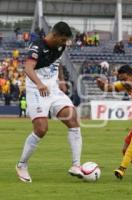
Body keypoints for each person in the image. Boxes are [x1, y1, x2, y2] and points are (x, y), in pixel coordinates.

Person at [16, 22, 83, 183]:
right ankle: (22, 165)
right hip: (36, 90)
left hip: (53, 89)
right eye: (63, 39)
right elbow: (28, 68)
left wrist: (60, 79)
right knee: (41, 129)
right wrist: (39, 84)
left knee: (73, 120)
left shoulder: (60, 46)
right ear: (54, 35)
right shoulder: (37, 47)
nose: (64, 43)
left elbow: (57, 62)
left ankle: (76, 165)